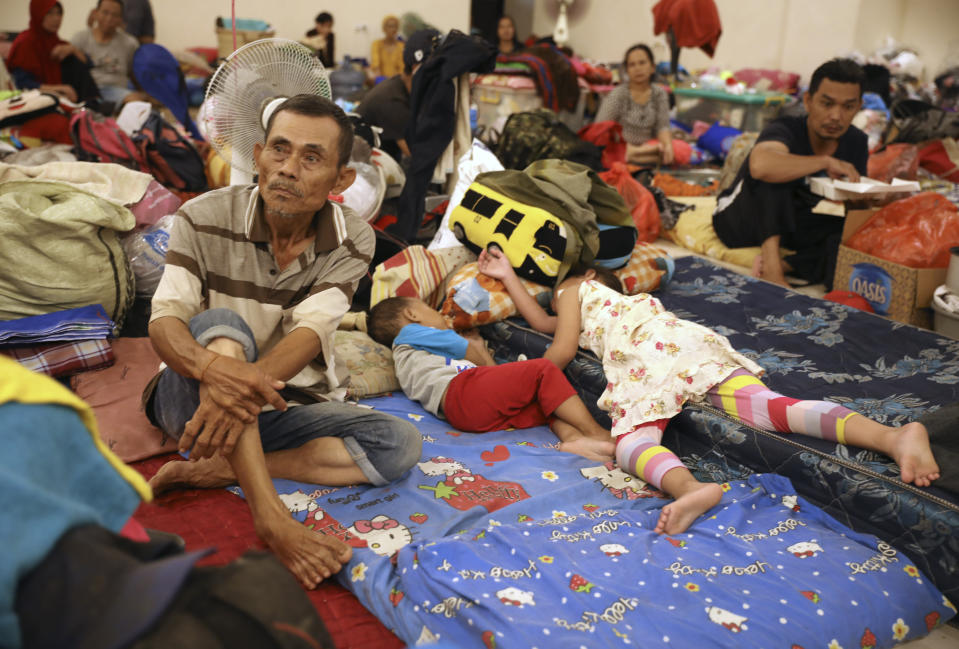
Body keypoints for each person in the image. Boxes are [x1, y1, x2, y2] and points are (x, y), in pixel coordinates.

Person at [144, 94, 422, 589]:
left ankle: (217, 470)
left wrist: (241, 388)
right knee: (221, 324)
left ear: (342, 180)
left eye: (310, 158)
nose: (288, 169)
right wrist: (211, 371)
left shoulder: (353, 238)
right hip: (191, 401)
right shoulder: (201, 216)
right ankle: (270, 516)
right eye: (279, 150)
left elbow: (309, 335)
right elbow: (165, 322)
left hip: (282, 402)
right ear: (257, 156)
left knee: (400, 444)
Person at [477, 246, 940, 535]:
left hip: (646, 355)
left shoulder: (577, 289)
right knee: (773, 408)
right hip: (689, 340)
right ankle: (892, 437)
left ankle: (692, 488)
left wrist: (520, 372)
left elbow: (554, 347)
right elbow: (547, 324)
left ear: (589, 280)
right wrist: (509, 275)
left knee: (633, 443)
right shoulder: (627, 303)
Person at [367, 296, 616, 462]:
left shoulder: (406, 356)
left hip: (461, 413)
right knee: (542, 370)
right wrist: (475, 346)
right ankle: (596, 432)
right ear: (412, 314)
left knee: (543, 403)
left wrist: (481, 356)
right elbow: (469, 353)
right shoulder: (410, 333)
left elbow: (486, 369)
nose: (440, 316)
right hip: (462, 390)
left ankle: (574, 440)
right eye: (431, 309)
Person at [712, 58, 868, 289]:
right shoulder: (785, 127)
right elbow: (761, 166)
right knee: (775, 177)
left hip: (788, 222)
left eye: (847, 106)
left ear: (858, 107)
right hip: (738, 221)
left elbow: (856, 205)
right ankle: (773, 272)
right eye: (827, 104)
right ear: (808, 101)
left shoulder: (855, 141)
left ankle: (788, 265)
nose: (836, 116)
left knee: (847, 233)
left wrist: (875, 199)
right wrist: (824, 162)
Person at [355, 28, 438, 161]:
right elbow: (415, 153)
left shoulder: (400, 85)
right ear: (416, 71)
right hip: (364, 165)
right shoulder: (392, 100)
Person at [594, 43, 677, 166]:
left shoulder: (659, 94)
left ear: (652, 67)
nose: (637, 68)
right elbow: (599, 129)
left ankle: (635, 156)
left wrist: (668, 145)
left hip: (648, 146)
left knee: (677, 150)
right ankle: (635, 155)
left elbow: (663, 126)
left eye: (642, 63)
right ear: (627, 70)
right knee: (604, 151)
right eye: (632, 65)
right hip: (622, 146)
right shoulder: (618, 94)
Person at [6, 0, 98, 104]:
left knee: (73, 59)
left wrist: (73, 49)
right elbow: (22, 84)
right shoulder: (25, 42)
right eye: (50, 13)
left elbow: (89, 64)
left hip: (65, 98)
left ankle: (92, 107)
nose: (56, 18)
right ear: (38, 14)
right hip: (35, 99)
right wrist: (59, 89)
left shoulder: (57, 42)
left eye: (59, 13)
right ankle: (92, 109)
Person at [72, 0, 147, 108]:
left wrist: (145, 93)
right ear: (95, 13)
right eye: (105, 12)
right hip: (88, 90)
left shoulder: (130, 43)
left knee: (137, 103)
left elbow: (135, 74)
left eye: (115, 15)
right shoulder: (80, 39)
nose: (109, 19)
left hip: (118, 91)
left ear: (121, 19)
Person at [369, 15, 404, 81]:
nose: (393, 29)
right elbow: (376, 66)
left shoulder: (401, 46)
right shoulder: (376, 44)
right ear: (384, 28)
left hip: (396, 81)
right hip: (380, 81)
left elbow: (402, 69)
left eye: (395, 26)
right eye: (390, 26)